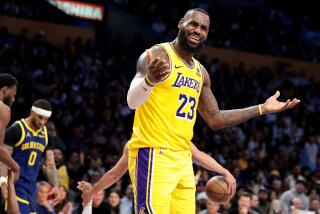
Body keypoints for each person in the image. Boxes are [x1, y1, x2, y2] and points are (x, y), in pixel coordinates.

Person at [126, 8, 300, 213]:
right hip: (153, 153)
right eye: (193, 24)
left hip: (183, 159)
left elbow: (216, 119)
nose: (198, 30)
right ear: (181, 23)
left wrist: (262, 108)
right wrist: (150, 81)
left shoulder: (201, 73)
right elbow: (131, 101)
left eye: (203, 28)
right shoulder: (157, 54)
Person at [77, 142, 235, 211]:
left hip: (178, 203)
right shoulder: (135, 144)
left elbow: (198, 155)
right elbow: (115, 173)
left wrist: (223, 171)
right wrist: (94, 189)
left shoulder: (176, 136)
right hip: (153, 201)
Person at [4, 99, 60, 214]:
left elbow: (50, 164)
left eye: (46, 119)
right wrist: (3, 182)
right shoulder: (16, 129)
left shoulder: (47, 136)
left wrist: (55, 185)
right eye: (40, 117)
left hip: (32, 187)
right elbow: (3, 158)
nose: (42, 122)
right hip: (16, 184)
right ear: (32, 112)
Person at [0, 73, 20, 179]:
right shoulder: (3, 109)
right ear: (5, 90)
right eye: (13, 95)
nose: (13, 99)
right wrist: (15, 166)